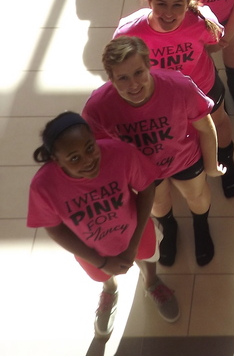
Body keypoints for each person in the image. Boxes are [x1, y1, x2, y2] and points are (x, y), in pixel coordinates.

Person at [27, 113, 178, 339]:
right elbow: (54, 228)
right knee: (102, 275)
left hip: (135, 232)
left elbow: (146, 187)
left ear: (95, 139)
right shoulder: (43, 186)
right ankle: (109, 289)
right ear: (56, 160)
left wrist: (133, 245)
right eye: (74, 158)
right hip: (92, 250)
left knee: (148, 256)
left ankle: (152, 282)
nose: (87, 160)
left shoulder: (121, 153)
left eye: (90, 148)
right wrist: (101, 262)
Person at [83, 37, 224, 267]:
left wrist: (211, 164)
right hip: (142, 171)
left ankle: (200, 225)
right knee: (157, 205)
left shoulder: (178, 86)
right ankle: (169, 228)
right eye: (123, 78)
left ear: (149, 65)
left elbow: (206, 127)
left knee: (196, 195)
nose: (133, 85)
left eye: (138, 73)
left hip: (184, 157)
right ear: (111, 78)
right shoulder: (98, 107)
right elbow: (97, 151)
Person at [112, 0, 234, 198]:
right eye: (161, 4)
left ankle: (226, 160)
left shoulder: (201, 21)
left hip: (203, 87)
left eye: (177, 5)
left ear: (187, 3)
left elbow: (214, 44)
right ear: (149, 1)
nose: (169, 14)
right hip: (158, 98)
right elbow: (119, 67)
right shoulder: (129, 32)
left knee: (218, 123)